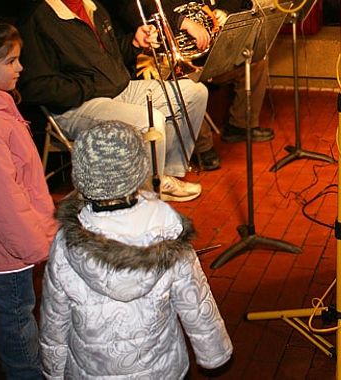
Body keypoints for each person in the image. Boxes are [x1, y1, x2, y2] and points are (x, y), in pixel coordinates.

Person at [17, 0, 204, 202]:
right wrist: (91, 85)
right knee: (149, 119)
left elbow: (114, 52)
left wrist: (136, 42)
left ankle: (165, 172)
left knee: (193, 93)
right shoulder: (37, 20)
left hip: (115, 88)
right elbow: (36, 87)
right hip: (76, 107)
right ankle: (147, 193)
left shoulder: (91, 6)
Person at [39, 120, 233, 377]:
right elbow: (193, 299)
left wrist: (52, 370)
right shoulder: (166, 226)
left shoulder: (68, 239)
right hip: (160, 369)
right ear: (138, 171)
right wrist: (214, 353)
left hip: (92, 371)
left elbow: (55, 314)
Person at [123, 0, 275, 165]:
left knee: (255, 59)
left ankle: (240, 125)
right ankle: (202, 147)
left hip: (211, 54)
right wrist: (184, 22)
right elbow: (139, 12)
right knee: (184, 84)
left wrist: (223, 11)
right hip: (177, 63)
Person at [0, 21, 57, 378]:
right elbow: (2, 202)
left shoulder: (0, 108)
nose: (20, 68)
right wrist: (37, 246)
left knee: (17, 314)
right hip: (8, 252)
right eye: (11, 61)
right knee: (15, 320)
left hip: (12, 245)